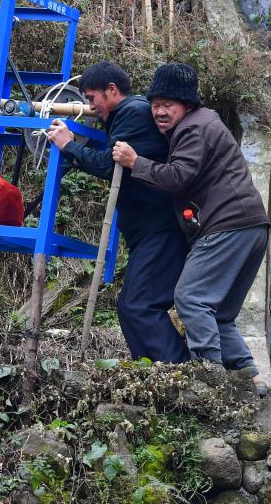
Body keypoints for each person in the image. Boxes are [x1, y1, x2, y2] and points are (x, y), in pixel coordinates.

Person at [111, 63, 270, 396]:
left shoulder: (193, 128)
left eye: (168, 104)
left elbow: (178, 176)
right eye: (155, 104)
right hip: (252, 227)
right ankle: (252, 378)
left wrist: (135, 162)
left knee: (191, 298)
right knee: (219, 313)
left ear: (187, 104)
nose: (160, 111)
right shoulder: (203, 122)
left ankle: (210, 376)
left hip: (226, 225)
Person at [47, 61, 189, 363]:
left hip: (161, 229)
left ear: (112, 90)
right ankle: (150, 370)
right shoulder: (122, 116)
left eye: (91, 98)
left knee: (139, 305)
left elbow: (108, 165)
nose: (90, 106)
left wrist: (68, 145)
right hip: (149, 232)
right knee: (130, 306)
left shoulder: (133, 112)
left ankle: (178, 369)